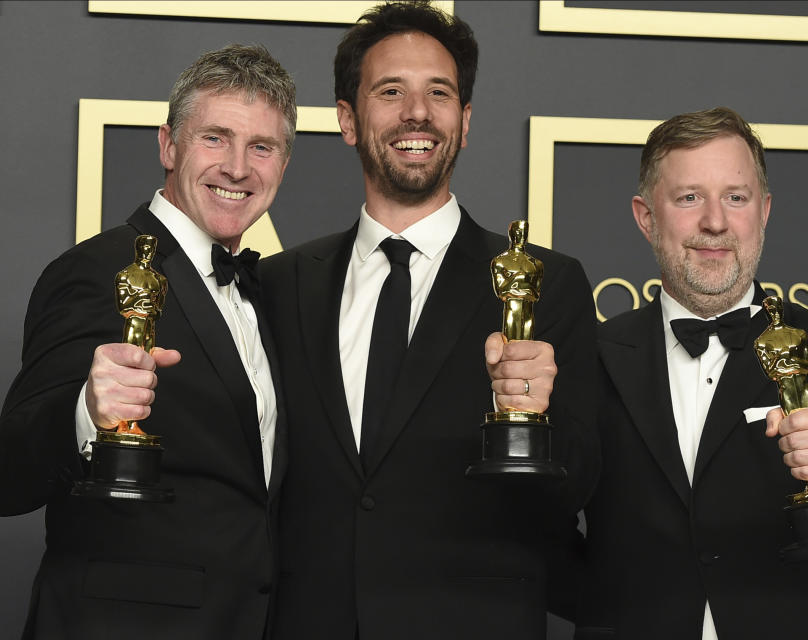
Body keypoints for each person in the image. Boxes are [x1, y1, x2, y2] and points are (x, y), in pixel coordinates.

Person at [259, 2, 599, 638]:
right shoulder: (280, 284)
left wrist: (539, 416)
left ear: (464, 122)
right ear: (347, 121)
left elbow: (581, 483)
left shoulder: (545, 283)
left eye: (438, 93)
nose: (417, 112)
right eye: (391, 91)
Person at [576, 107, 808, 639]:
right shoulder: (590, 351)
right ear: (647, 217)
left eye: (736, 198)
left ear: (763, 212)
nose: (715, 221)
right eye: (689, 197)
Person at [0, 44, 296, 639]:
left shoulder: (271, 295)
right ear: (168, 145)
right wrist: (86, 412)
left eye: (261, 147)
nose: (238, 168)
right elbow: (10, 474)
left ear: (283, 164)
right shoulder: (96, 270)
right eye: (215, 138)